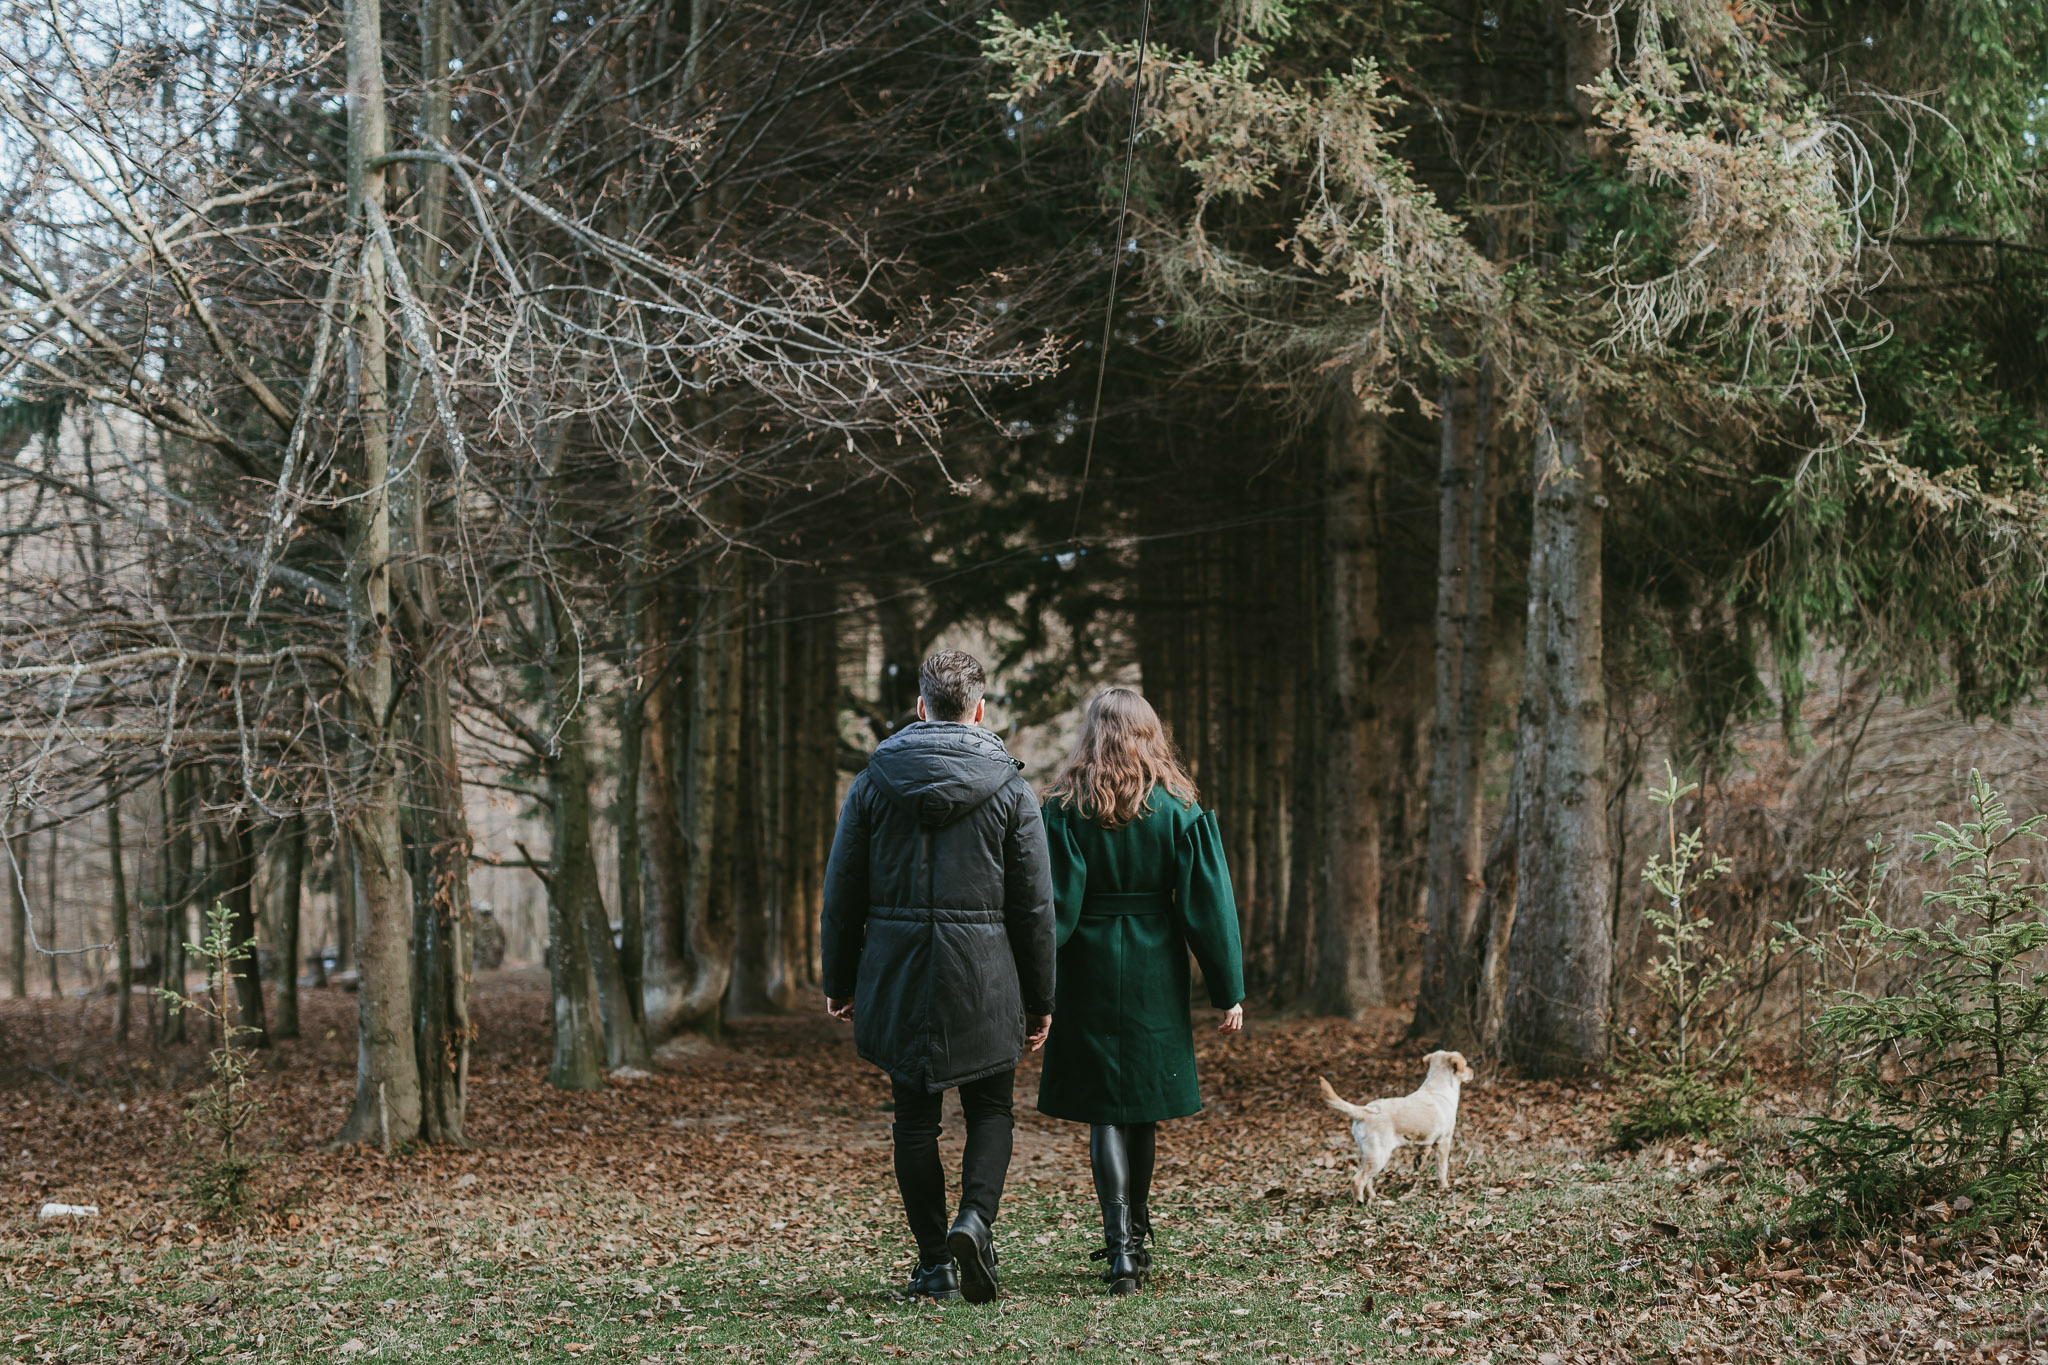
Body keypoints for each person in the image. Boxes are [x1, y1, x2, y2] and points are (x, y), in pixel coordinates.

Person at [821, 650, 1057, 1305]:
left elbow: (842, 890)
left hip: (898, 973)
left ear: (921, 706)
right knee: (992, 1109)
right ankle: (974, 1221)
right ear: (978, 708)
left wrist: (839, 979)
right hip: (985, 973)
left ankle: (935, 1264)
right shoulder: (1011, 788)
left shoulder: (872, 782)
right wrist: (1042, 998)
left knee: (914, 1120)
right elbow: (1035, 904)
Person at [1036, 686, 1245, 1295]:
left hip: (1087, 967)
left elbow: (1052, 907)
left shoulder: (1062, 808)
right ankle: (1135, 1233)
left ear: (1092, 734)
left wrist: (1034, 981)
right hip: (1156, 964)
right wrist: (1227, 988)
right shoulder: (1178, 809)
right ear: (1150, 734)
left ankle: (1121, 1247)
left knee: (1105, 1107)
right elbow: (1210, 906)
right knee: (1143, 1109)